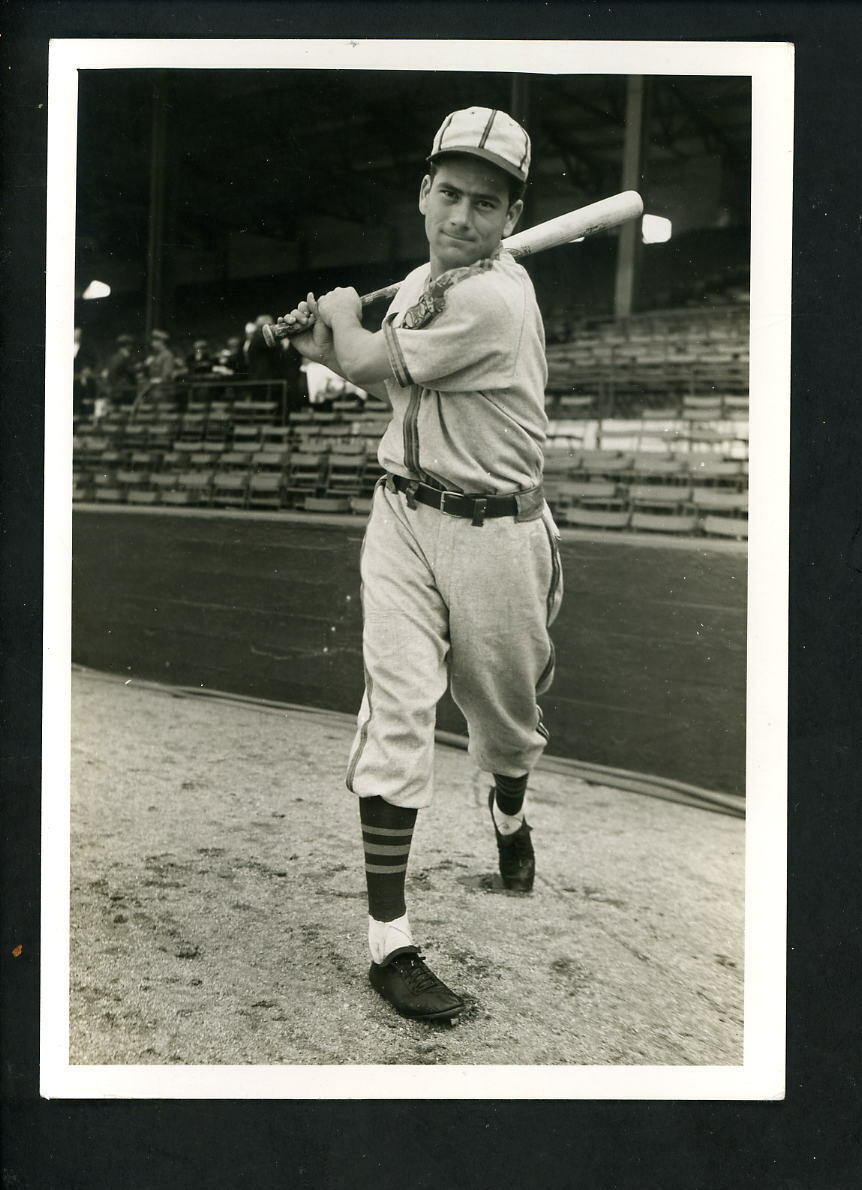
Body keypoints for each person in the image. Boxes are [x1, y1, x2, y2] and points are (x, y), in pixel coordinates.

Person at [279, 107, 563, 1023]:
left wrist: (336, 321)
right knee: (396, 709)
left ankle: (509, 815)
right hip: (402, 513)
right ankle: (390, 943)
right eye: (450, 193)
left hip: (498, 534)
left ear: (510, 217)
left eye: (487, 203)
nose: (463, 216)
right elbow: (364, 371)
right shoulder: (423, 283)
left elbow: (367, 353)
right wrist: (324, 349)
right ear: (424, 193)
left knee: (506, 727)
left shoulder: (495, 300)